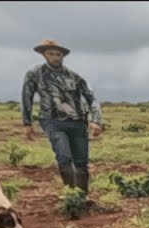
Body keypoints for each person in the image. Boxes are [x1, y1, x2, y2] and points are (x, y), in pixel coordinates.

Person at [20, 39, 103, 199]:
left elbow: (92, 97)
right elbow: (26, 97)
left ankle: (82, 198)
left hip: (77, 122)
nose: (55, 57)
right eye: (51, 54)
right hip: (52, 121)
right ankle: (70, 194)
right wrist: (27, 123)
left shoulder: (74, 76)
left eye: (58, 54)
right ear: (44, 55)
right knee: (64, 157)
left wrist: (96, 120)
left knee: (81, 163)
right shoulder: (35, 74)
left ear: (63, 56)